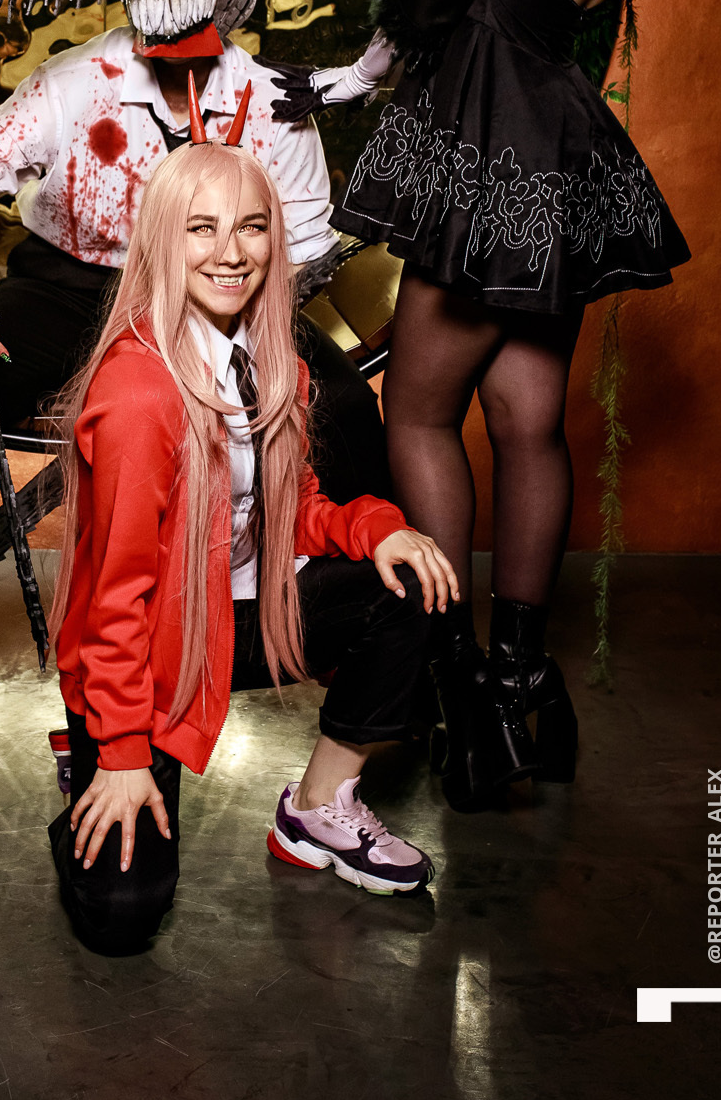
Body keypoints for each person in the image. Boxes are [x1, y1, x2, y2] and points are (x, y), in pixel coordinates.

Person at [272, 0, 689, 809]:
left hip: (489, 152)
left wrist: (359, 73)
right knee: (526, 420)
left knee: (415, 410)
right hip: (557, 152)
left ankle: (446, 665)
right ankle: (516, 680)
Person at [45, 91, 457, 956]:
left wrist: (378, 529)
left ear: (276, 240)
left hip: (238, 620)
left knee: (413, 583)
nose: (231, 253)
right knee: (123, 918)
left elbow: (290, 509)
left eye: (251, 228)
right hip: (147, 659)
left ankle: (318, 809)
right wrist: (120, 753)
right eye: (201, 229)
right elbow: (114, 601)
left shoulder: (274, 366)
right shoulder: (139, 393)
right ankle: (84, 762)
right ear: (163, 242)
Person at [0, 2, 388, 685]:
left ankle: (351, 634)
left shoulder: (275, 99)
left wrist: (225, 331)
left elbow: (297, 259)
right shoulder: (78, 79)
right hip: (71, 293)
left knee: (344, 406)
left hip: (223, 295)